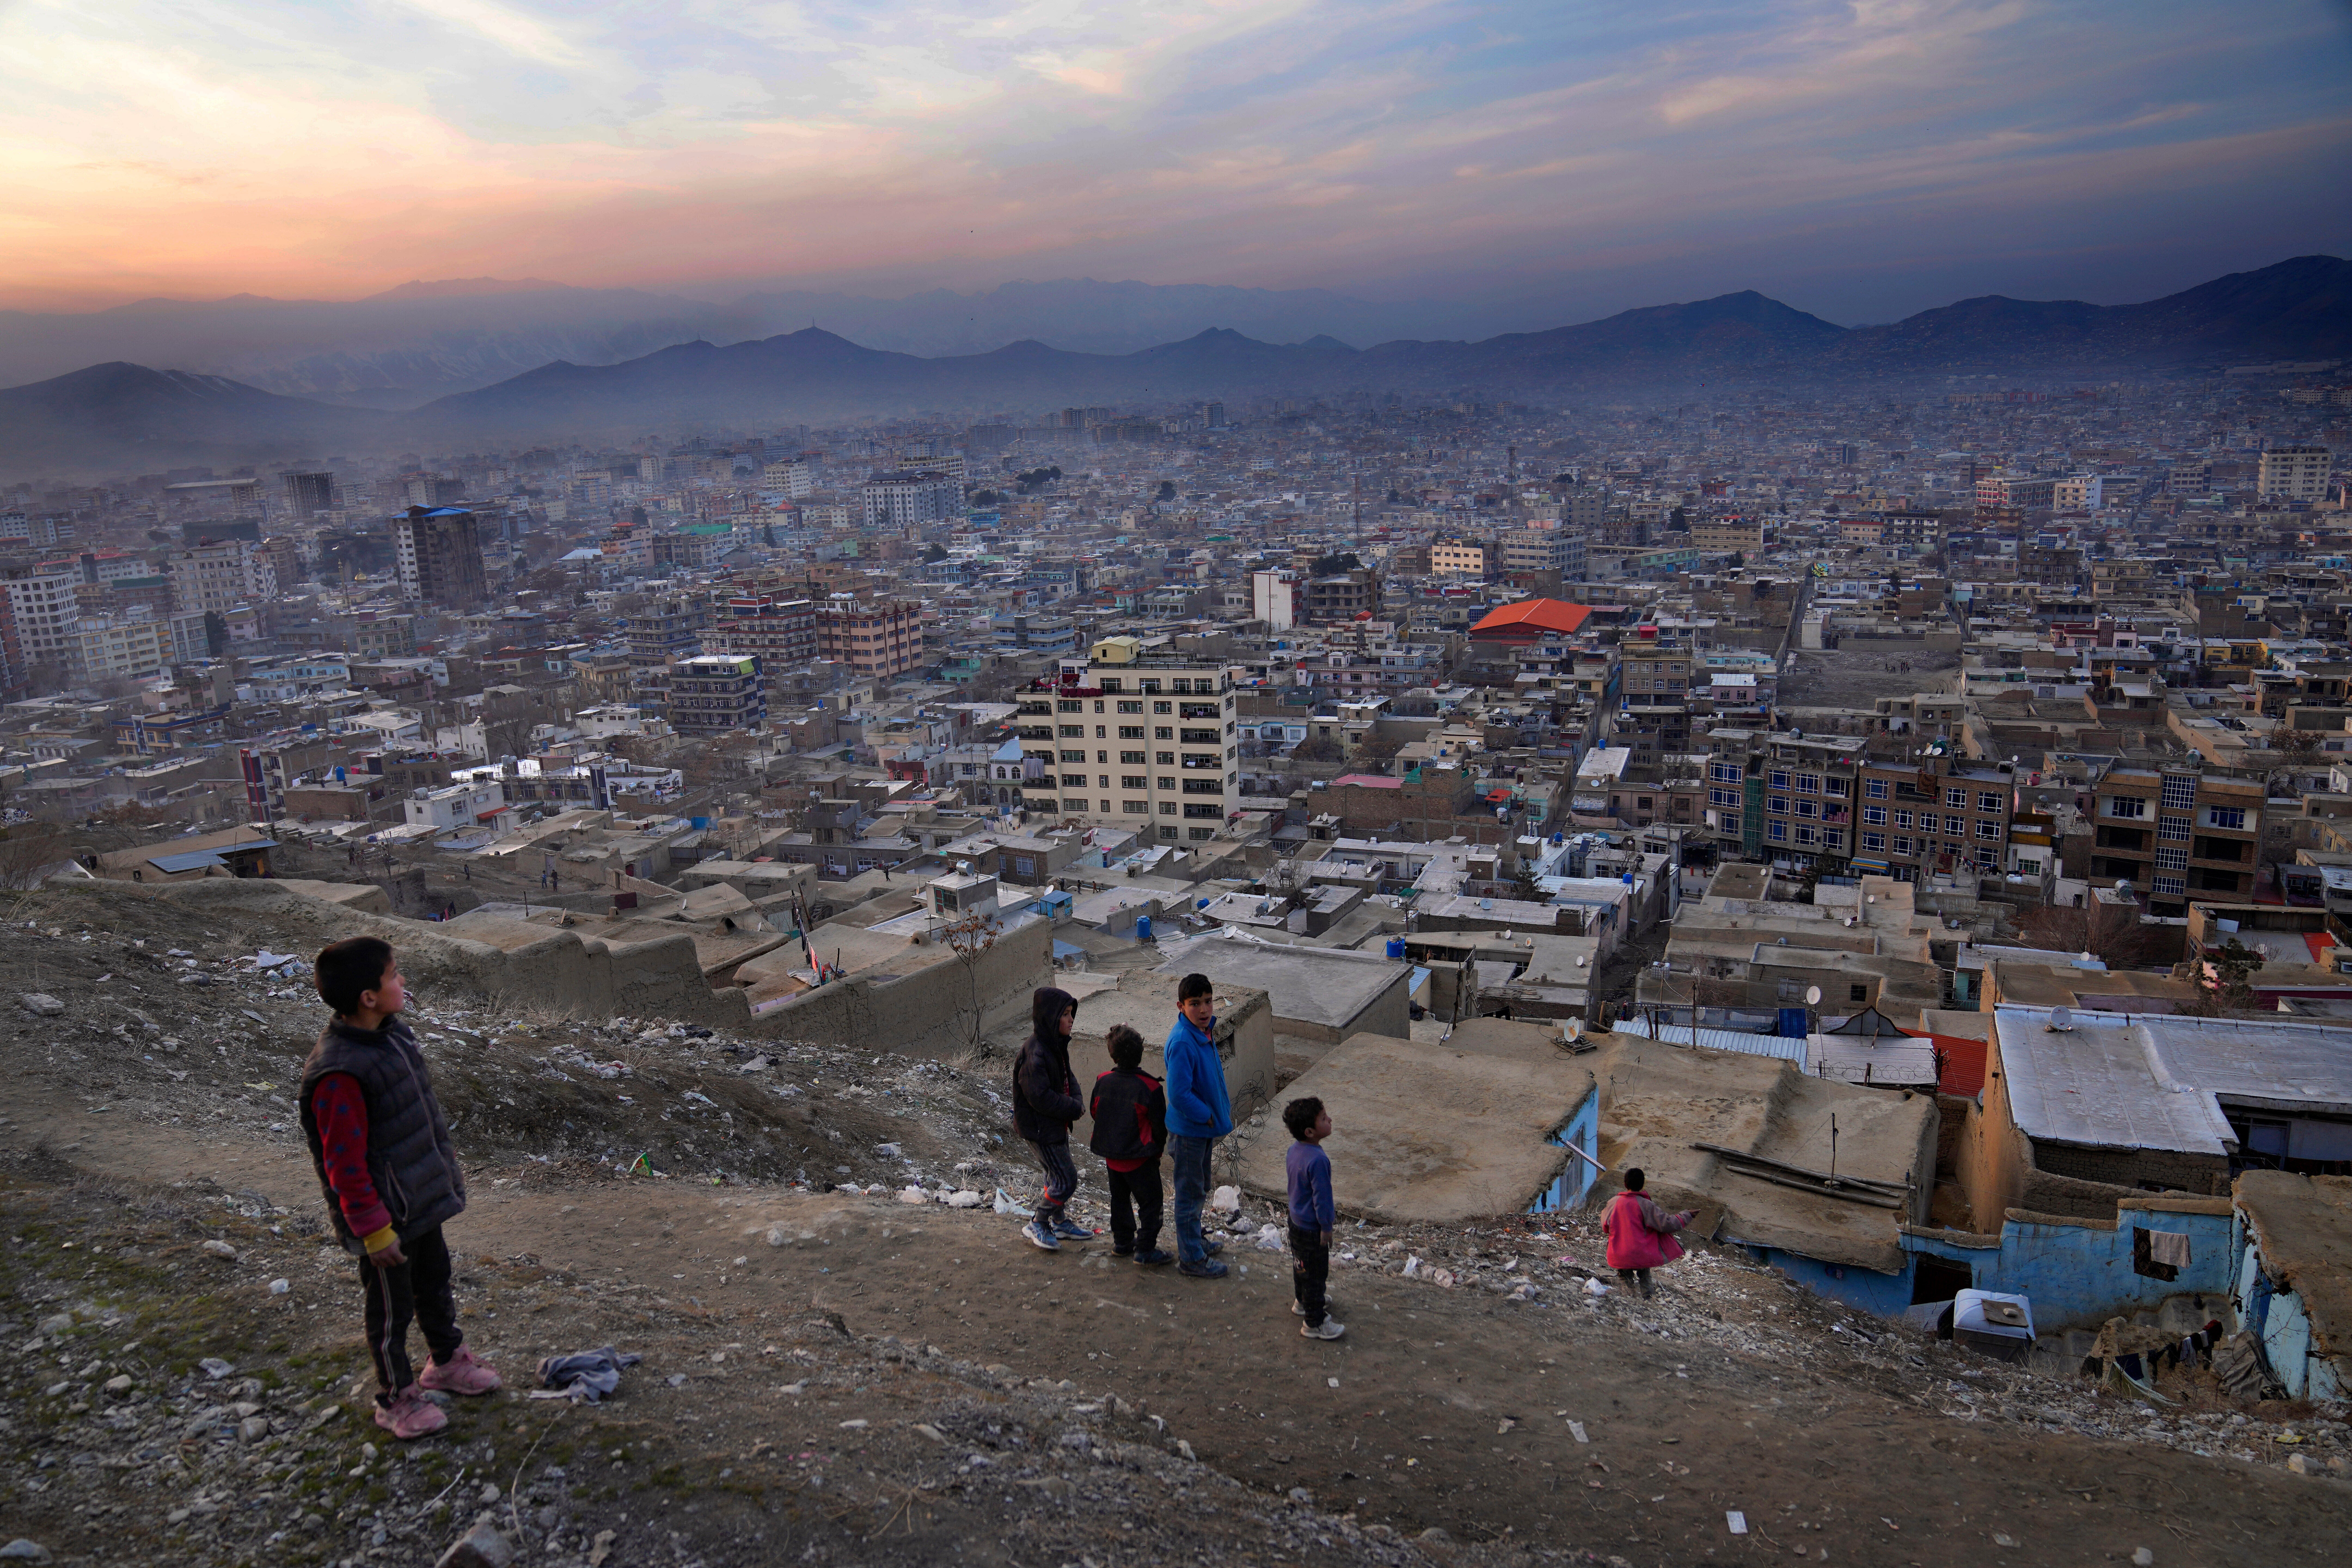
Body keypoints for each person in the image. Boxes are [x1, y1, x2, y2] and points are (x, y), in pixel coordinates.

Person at [298, 938, 500, 1440]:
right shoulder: (339, 1073)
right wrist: (373, 1230)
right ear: (369, 996)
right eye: (394, 976)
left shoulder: (392, 1036)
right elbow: (343, 1164)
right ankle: (395, 1397)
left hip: (418, 1203)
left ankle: (447, 1362)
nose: (402, 981)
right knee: (391, 1309)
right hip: (384, 1222)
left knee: (435, 1282)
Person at [1163, 972, 1233, 1279]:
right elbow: (1179, 1093)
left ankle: (1195, 1243)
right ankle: (1191, 1258)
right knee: (1190, 1194)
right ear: (1181, 1006)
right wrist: (1205, 1115)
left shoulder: (1203, 1033)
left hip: (1202, 1130)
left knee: (1200, 1187)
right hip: (1191, 1131)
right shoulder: (1183, 1042)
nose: (1204, 1010)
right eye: (1195, 1004)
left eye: (1208, 1001)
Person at [1012, 985, 1091, 1252]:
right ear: (1050, 1017)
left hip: (1054, 1125)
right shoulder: (1035, 1055)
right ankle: (1039, 1221)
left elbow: (1069, 1078)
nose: (1071, 1020)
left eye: (1071, 1014)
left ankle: (1058, 1221)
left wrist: (1076, 1103)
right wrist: (1071, 1107)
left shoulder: (1054, 1046)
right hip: (1040, 1129)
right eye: (1065, 1014)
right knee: (1066, 1179)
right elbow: (1041, 1098)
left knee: (1054, 1175)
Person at [1088, 1024, 1172, 1265]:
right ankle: (1146, 1249)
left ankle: (1123, 1244)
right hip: (1141, 1160)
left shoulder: (1103, 1081)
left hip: (1113, 1159)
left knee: (1120, 1201)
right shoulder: (1151, 1087)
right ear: (1141, 1053)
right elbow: (1159, 1127)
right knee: (1151, 1203)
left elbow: (1096, 1112)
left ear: (1113, 1055)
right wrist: (1157, 1151)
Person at [1284, 1095, 1342, 1339]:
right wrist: (1326, 1228)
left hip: (1295, 1222)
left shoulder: (1294, 1150)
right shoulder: (1318, 1160)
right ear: (1310, 1132)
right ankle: (1315, 1323)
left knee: (1301, 1267)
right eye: (1323, 1118)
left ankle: (1302, 1302)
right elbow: (1323, 1199)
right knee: (1316, 1275)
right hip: (1312, 1228)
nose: (1329, 1120)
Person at [1602, 1168, 1692, 1300]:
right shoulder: (1646, 1204)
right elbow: (1666, 1224)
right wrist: (1686, 1215)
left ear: (1625, 1184)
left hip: (1619, 1253)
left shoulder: (1613, 1203)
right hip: (1641, 1254)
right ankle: (1649, 1301)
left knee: (1624, 1277)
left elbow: (1605, 1227)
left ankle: (1628, 1299)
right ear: (1643, 1184)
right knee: (1645, 1276)